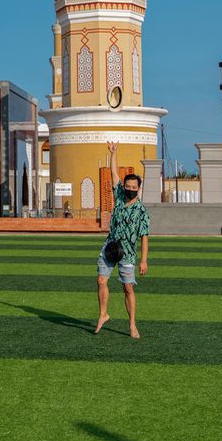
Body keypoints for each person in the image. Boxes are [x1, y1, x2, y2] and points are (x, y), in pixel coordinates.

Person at [94, 140, 150, 339]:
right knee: (101, 280)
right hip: (110, 246)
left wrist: (144, 260)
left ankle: (132, 324)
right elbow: (114, 174)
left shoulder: (141, 211)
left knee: (127, 288)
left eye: (134, 187)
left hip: (128, 252)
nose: (130, 189)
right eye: (128, 186)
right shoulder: (119, 196)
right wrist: (113, 153)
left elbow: (144, 237)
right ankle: (103, 314)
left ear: (139, 188)